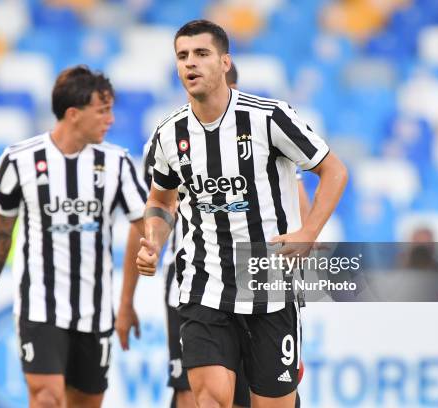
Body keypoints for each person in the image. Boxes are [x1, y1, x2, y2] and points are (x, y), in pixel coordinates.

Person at [136, 20, 347, 408]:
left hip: (268, 284)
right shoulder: (169, 133)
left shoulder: (270, 118)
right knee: (210, 399)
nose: (190, 63)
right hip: (204, 284)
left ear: (225, 62)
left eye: (201, 54)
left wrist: (309, 233)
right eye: (182, 56)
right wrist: (154, 240)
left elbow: (333, 170)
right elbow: (162, 200)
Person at [0, 65, 147, 408]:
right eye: (103, 111)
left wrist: (125, 304)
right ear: (73, 114)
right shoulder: (19, 160)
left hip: (95, 312)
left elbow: (143, 226)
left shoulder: (118, 163)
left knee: (86, 402)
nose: (110, 120)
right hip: (40, 308)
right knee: (46, 396)